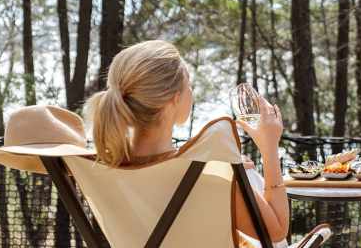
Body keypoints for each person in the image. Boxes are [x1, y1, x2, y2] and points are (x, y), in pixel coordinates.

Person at [84, 40, 290, 245]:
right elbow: (277, 231)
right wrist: (269, 147)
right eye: (188, 83)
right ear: (174, 98)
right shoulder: (210, 179)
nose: (191, 91)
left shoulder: (101, 170)